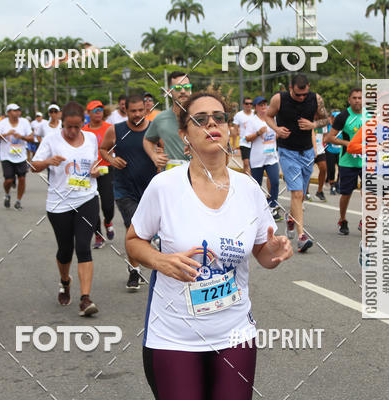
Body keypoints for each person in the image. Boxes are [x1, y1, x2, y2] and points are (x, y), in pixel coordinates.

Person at [124, 91, 292, 400]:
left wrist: (275, 252)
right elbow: (134, 242)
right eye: (200, 120)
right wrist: (160, 261)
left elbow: (263, 255)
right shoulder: (164, 186)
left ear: (229, 129)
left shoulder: (249, 189)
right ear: (184, 135)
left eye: (219, 118)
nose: (211, 124)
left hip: (235, 334)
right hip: (174, 335)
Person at [31, 102, 102, 315]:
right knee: (65, 250)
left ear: (82, 123)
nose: (72, 131)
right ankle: (65, 281)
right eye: (68, 127)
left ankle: (85, 299)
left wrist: (96, 171)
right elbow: (33, 166)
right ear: (62, 123)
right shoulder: (51, 140)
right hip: (59, 203)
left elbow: (94, 163)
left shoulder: (91, 138)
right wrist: (48, 161)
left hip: (87, 198)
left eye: (77, 127)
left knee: (83, 246)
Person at [348, 100, 389, 285]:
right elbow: (352, 147)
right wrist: (374, 148)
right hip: (373, 177)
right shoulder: (370, 125)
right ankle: (366, 248)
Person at [264, 74, 330, 253]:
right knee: (297, 193)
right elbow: (268, 116)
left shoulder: (316, 99)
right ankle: (302, 237)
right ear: (290, 88)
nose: (301, 98)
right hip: (287, 152)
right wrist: (276, 129)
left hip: (307, 152)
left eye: (304, 94)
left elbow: (326, 119)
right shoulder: (279, 99)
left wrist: (313, 124)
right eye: (297, 94)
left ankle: (290, 218)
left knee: (300, 196)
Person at [100, 94, 156, 291]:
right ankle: (134, 270)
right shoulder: (116, 130)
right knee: (133, 228)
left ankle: (151, 262)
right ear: (126, 111)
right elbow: (104, 149)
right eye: (133, 111)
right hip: (124, 188)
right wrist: (112, 159)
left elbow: (165, 151)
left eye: (141, 110)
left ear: (146, 109)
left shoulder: (154, 129)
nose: (137, 114)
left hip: (151, 189)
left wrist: (161, 158)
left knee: (150, 231)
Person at [325, 88, 364, 235]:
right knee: (346, 194)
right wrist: (347, 144)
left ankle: (366, 219)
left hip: (367, 162)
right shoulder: (343, 116)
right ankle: (342, 219)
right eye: (354, 98)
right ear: (349, 100)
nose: (357, 100)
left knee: (369, 192)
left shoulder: (370, 115)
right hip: (348, 162)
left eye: (360, 97)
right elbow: (329, 137)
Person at [143, 71, 192, 170]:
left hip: (197, 175)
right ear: (169, 92)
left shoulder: (202, 117)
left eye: (187, 87)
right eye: (177, 88)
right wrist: (154, 156)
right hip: (170, 175)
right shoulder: (161, 118)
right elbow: (147, 140)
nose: (183, 91)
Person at [82, 100, 114, 249]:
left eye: (100, 109)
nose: (98, 112)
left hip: (107, 169)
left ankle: (108, 221)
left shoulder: (110, 128)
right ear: (88, 113)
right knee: (92, 206)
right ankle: (98, 235)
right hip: (89, 172)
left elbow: (118, 146)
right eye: (95, 110)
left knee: (108, 205)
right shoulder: (83, 131)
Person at [244, 96, 282, 221]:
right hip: (257, 158)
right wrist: (258, 133)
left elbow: (276, 134)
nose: (263, 107)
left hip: (271, 157)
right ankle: (256, 208)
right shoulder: (252, 121)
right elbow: (247, 138)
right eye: (260, 105)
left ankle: (273, 206)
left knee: (275, 181)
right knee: (257, 185)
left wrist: (278, 134)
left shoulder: (272, 119)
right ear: (255, 107)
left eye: (265, 104)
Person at [0, 103, 33, 210]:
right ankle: (7, 194)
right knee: (8, 180)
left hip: (21, 156)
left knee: (22, 179)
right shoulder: (3, 123)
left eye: (18, 110)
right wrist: (6, 134)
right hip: (6, 156)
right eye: (14, 110)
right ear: (8, 112)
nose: (17, 112)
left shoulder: (24, 122)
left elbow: (31, 138)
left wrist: (22, 137)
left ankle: (18, 201)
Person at [233, 96, 256, 175]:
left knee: (253, 164)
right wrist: (234, 145)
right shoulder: (238, 115)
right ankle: (247, 180)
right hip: (244, 142)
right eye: (247, 103)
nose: (249, 105)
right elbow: (235, 130)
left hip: (255, 142)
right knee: (246, 163)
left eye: (250, 103)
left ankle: (251, 179)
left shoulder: (255, 113)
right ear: (243, 104)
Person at [325, 111, 341, 195]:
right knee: (331, 169)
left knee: (341, 169)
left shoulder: (343, 127)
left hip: (340, 151)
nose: (337, 119)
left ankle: (338, 184)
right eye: (336, 117)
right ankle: (332, 186)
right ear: (332, 118)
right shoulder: (328, 126)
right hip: (330, 150)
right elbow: (325, 137)